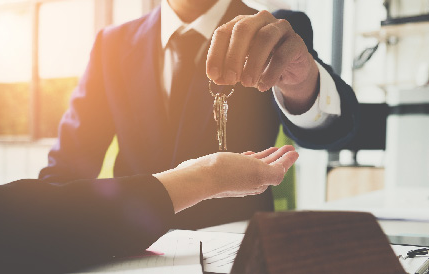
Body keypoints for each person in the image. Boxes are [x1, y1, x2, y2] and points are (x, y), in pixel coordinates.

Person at [0, 2, 298, 272]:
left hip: (242, 256)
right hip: (127, 255)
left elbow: (336, 123)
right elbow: (61, 172)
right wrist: (200, 179)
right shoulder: (113, 44)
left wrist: (303, 76)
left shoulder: (277, 31)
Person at [39, 0, 360, 228]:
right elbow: (68, 165)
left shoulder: (276, 31)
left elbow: (335, 129)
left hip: (237, 245)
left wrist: (303, 85)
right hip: (134, 245)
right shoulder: (111, 44)